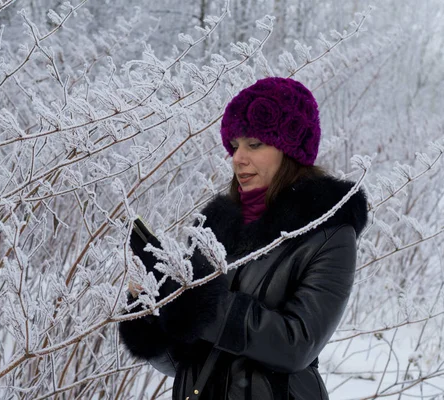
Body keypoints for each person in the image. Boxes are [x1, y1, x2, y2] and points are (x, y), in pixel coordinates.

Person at [119, 77, 368, 400]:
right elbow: (184, 361)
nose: (238, 157)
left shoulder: (328, 234)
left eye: (254, 144)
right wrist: (153, 305)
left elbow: (296, 345)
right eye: (235, 145)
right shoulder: (213, 228)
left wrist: (199, 305)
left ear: (289, 151)